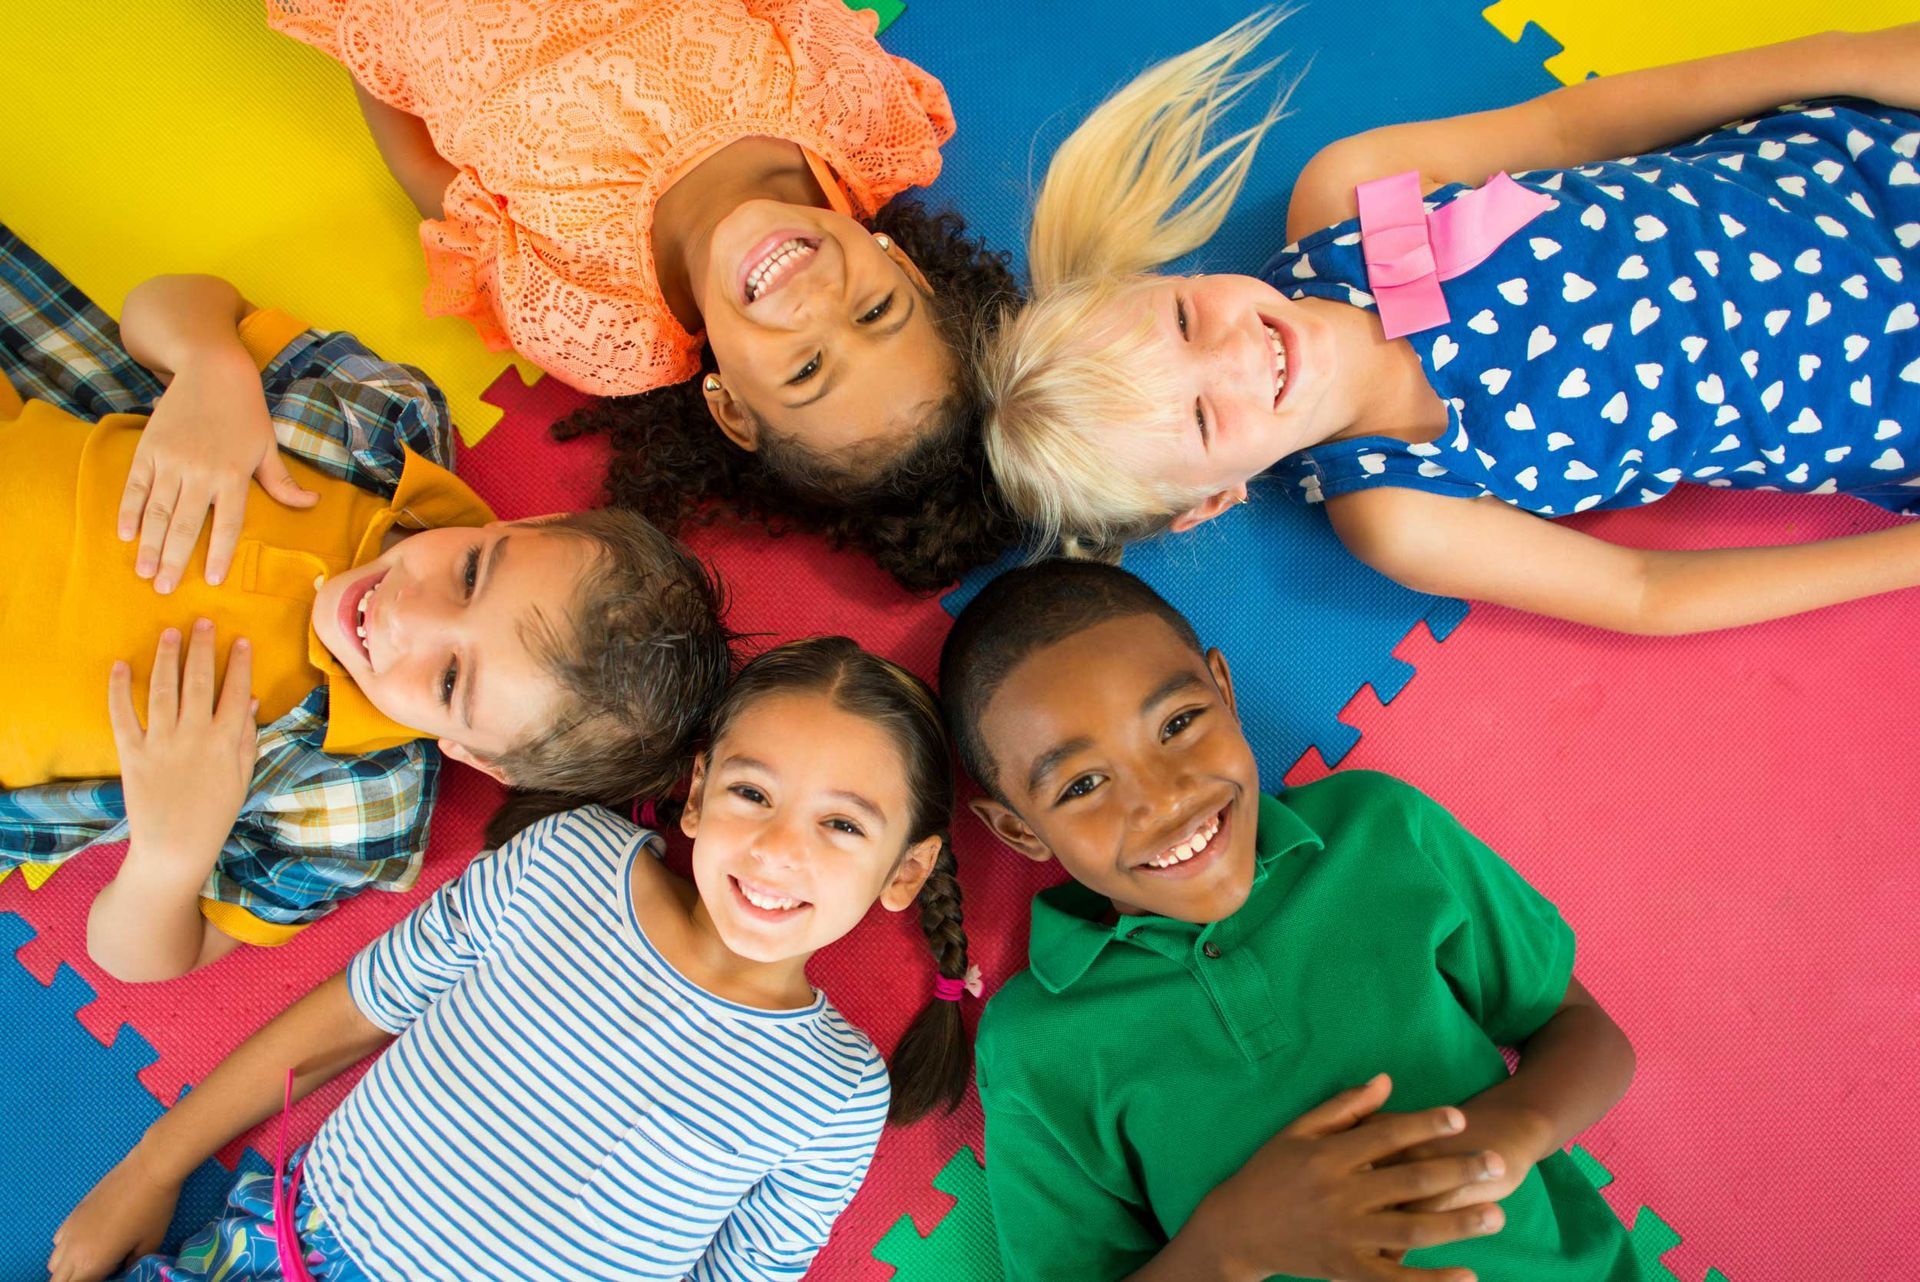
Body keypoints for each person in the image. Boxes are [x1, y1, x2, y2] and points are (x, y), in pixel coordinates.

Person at [46, 636, 974, 1282]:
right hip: (291, 1254)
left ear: (905, 872)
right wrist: (153, 1166)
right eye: (751, 791)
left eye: (841, 824)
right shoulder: (568, 860)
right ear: (696, 796)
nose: (777, 849)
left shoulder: (838, 1092)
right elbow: (359, 1006)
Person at [981, 15, 1920, 634]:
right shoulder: (1401, 511)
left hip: (1859, 168)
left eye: (1185, 318)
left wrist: (1849, 54)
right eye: (1199, 419)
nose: (1237, 353)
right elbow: (1647, 594)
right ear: (1214, 500)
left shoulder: (1344, 196)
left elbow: (1571, 126)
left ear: (1169, 277)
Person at [0, 227, 731, 981]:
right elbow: (157, 308)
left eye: (451, 680)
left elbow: (141, 959)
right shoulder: (380, 428)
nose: (405, 614)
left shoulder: (354, 809)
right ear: (525, 525)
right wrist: (208, 364)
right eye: (473, 573)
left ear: (474, 757)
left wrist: (168, 852)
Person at [940, 559, 1641, 1281]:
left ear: (1224, 688)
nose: (1163, 799)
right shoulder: (1034, 1045)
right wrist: (1230, 1245)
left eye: (1178, 724)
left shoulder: (1379, 832)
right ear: (1021, 832)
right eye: (1084, 784)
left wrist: (1512, 1132)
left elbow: (1585, 1032)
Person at [270, 0, 1022, 587]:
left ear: (730, 407)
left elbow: (427, 172)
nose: (812, 300)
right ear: (910, 271)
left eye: (806, 370)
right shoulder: (856, 115)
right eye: (876, 311)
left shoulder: (596, 325)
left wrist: (357, 28)